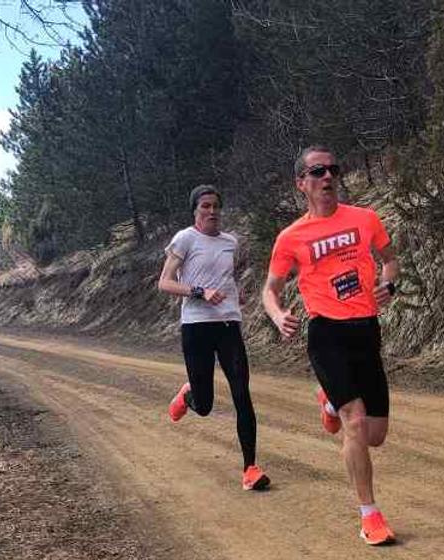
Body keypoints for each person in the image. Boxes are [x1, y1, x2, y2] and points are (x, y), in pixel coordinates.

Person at [262, 146, 399, 545]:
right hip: (327, 333)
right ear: (301, 184)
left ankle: (327, 400)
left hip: (366, 330)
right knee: (353, 421)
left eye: (332, 170)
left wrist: (390, 283)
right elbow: (270, 289)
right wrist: (276, 315)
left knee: (375, 435)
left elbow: (390, 260)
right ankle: (370, 515)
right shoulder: (291, 237)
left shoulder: (365, 219)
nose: (327, 178)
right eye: (317, 172)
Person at [158, 184, 270, 492]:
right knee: (205, 405)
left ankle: (250, 468)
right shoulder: (184, 239)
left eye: (216, 206)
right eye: (205, 206)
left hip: (228, 324)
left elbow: (226, 276)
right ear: (195, 210)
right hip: (196, 326)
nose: (212, 211)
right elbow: (165, 283)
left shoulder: (230, 242)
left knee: (241, 394)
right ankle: (188, 396)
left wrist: (237, 295)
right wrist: (200, 292)